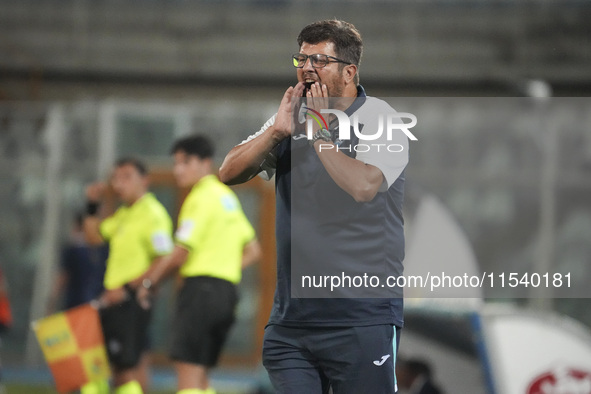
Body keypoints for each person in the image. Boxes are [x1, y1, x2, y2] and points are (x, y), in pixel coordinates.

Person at [219, 19, 409, 394]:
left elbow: (363, 187)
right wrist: (276, 131)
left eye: (319, 60)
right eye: (301, 59)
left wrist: (320, 133)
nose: (306, 68)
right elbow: (228, 172)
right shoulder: (292, 119)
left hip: (360, 320)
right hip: (292, 326)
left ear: (349, 71)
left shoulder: (381, 119)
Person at [136, 135, 261, 394]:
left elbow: (180, 253)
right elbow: (254, 250)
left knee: (188, 378)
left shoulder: (200, 197)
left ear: (205, 163)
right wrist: (224, 268)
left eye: (185, 162)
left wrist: (150, 283)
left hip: (200, 293)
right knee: (202, 377)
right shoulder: (227, 198)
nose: (178, 169)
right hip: (226, 294)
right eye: (175, 163)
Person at [84, 158, 174, 394]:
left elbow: (164, 259)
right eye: (115, 178)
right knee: (122, 364)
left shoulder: (153, 213)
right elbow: (94, 237)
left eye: (126, 177)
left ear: (144, 180)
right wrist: (92, 205)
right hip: (116, 299)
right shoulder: (124, 213)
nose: (119, 183)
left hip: (130, 299)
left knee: (126, 368)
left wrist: (129, 289)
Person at [47, 212, 110, 394]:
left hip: (76, 309)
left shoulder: (74, 250)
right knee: (91, 360)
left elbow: (62, 278)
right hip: (93, 308)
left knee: (70, 361)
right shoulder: (101, 249)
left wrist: (51, 302)